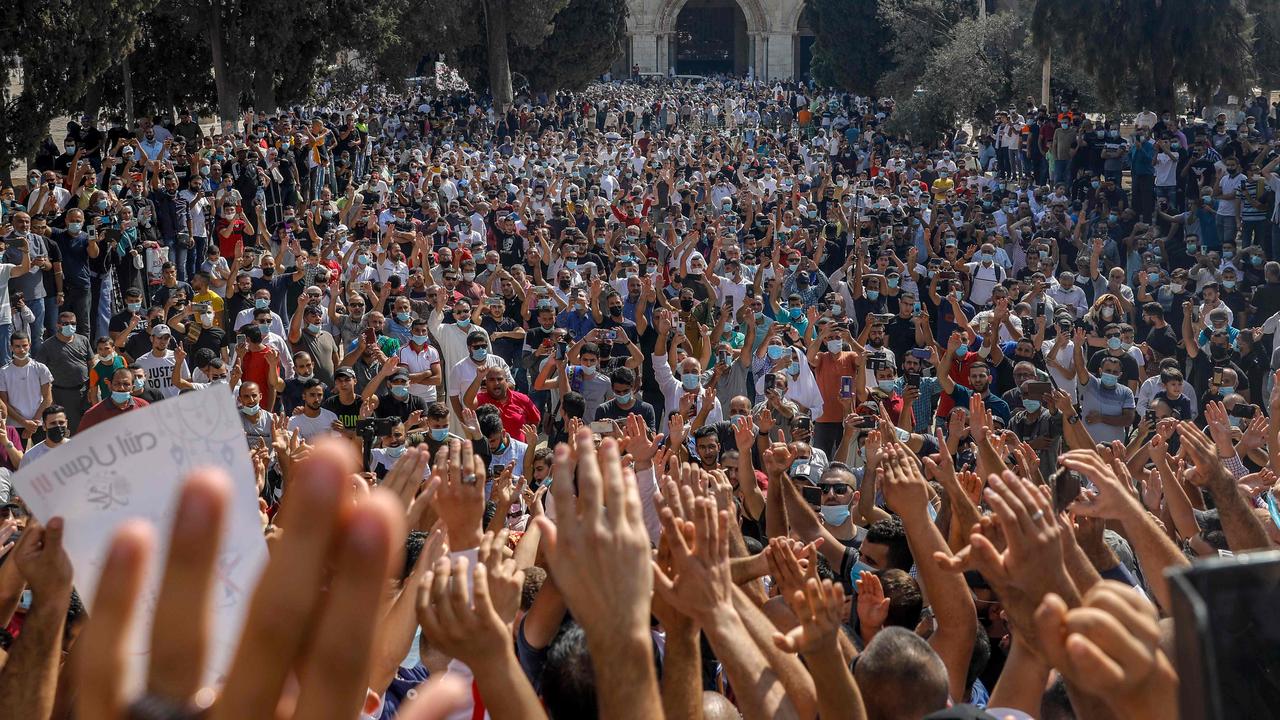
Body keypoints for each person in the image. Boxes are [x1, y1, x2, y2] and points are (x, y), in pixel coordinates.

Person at [34, 311, 90, 430]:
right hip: (63, 393)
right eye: (65, 323)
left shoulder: (83, 340)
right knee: (72, 427)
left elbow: (91, 363)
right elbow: (39, 372)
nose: (70, 326)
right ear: (58, 325)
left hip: (85, 390)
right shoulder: (47, 346)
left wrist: (92, 388)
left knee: (89, 425)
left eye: (73, 323)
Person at [78, 366, 150, 431]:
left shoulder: (143, 406)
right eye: (117, 384)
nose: (121, 388)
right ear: (110, 386)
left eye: (126, 384)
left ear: (133, 388)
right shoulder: (93, 414)